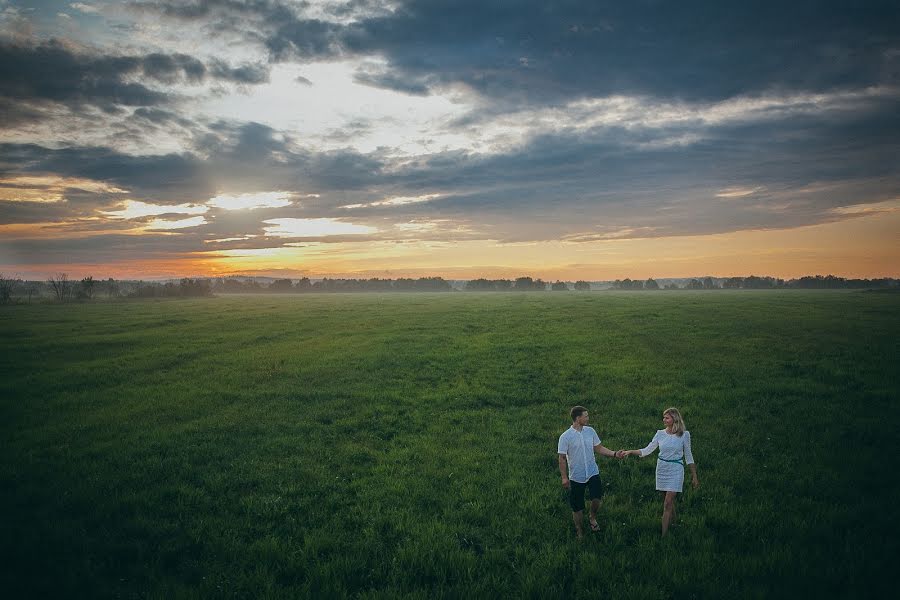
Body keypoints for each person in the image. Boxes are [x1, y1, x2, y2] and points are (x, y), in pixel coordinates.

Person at [623, 407, 699, 536]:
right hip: (662, 468)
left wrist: (694, 476)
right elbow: (647, 450)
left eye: (667, 418)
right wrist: (630, 451)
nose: (664, 420)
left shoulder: (684, 435)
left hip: (676, 469)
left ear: (674, 419)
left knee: (668, 502)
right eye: (664, 417)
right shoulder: (660, 433)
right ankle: (674, 522)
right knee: (666, 499)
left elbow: (689, 456)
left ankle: (664, 535)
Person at [557, 405, 622, 538]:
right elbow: (562, 458)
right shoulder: (565, 437)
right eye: (585, 416)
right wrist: (564, 477)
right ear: (577, 418)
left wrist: (614, 454)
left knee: (597, 498)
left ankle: (592, 517)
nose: (588, 418)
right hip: (577, 476)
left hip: (592, 472)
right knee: (577, 507)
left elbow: (599, 448)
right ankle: (579, 530)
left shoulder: (590, 431)